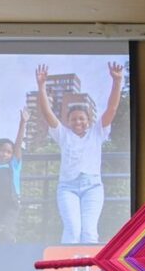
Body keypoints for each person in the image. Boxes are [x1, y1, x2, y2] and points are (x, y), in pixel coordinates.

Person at [35, 62, 123, 244]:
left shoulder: (97, 132)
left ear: (89, 120)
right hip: (68, 187)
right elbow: (47, 112)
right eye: (73, 119)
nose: (78, 122)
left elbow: (112, 109)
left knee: (89, 233)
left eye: (82, 118)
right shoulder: (63, 134)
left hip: (93, 187)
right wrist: (41, 86)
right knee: (73, 231)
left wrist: (117, 81)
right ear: (67, 121)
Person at [0, 107, 28, 243]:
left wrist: (23, 123)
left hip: (12, 202)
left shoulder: (14, 165)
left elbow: (18, 144)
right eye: (2, 151)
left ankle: (12, 248)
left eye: (8, 152)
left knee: (6, 229)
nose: (5, 154)